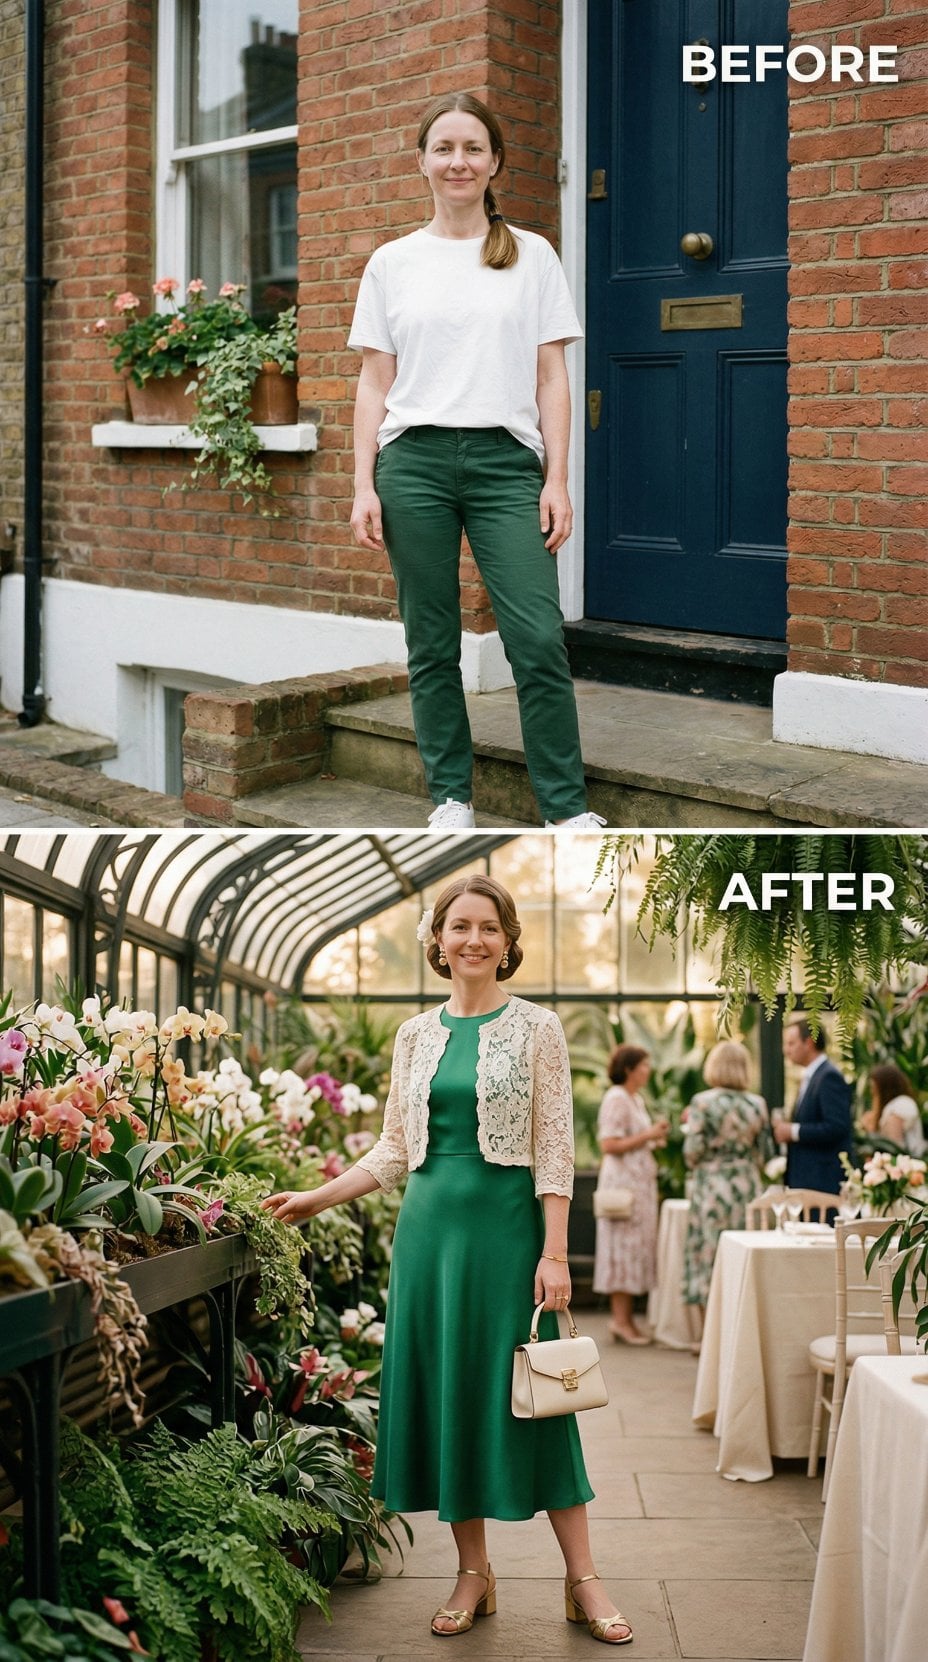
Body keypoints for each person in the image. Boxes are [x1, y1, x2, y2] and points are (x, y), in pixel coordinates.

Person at [262, 875, 633, 1646]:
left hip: (506, 1237)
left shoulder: (539, 1029)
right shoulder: (415, 1036)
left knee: (542, 1402)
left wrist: (555, 1252)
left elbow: (555, 1150)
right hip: (430, 1241)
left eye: (487, 928)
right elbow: (395, 1149)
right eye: (458, 926)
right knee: (457, 1400)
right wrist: (314, 1198)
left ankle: (583, 1577)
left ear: (507, 941)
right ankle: (474, 1572)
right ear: (437, 941)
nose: (473, 940)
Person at [347, 92, 604, 833]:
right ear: (421, 160)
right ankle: (451, 799)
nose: (458, 161)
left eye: (472, 149)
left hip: (504, 466)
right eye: (443, 148)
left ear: (494, 162)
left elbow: (552, 376)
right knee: (431, 642)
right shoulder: (392, 262)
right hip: (414, 464)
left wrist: (556, 478)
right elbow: (374, 382)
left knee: (536, 638)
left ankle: (564, 809)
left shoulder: (531, 254)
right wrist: (363, 483)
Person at [682, 1041, 769, 1313]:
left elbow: (692, 1152)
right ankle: (740, 1326)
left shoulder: (703, 1103)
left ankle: (710, 1336)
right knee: (743, 1255)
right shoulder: (757, 1104)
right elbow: (763, 1155)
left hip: (713, 1186)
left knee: (710, 1254)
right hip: (747, 1186)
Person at [592, 1044, 668, 1345]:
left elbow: (631, 1140)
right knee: (621, 1251)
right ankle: (621, 1321)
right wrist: (648, 1136)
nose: (648, 1071)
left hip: (638, 1185)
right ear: (628, 1069)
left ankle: (627, 1321)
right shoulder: (617, 1098)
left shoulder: (635, 1099)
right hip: (622, 1187)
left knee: (633, 1251)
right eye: (643, 1066)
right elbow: (609, 1144)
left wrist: (650, 1140)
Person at [772, 1017, 853, 1192]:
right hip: (806, 1180)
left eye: (791, 1044)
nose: (786, 1050)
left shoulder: (828, 1077)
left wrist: (792, 1131)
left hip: (822, 1182)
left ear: (808, 1043)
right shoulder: (812, 1076)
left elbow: (837, 1126)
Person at [860, 1062, 926, 1156]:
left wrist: (871, 1133)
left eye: (874, 1089)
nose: (872, 1093)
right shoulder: (897, 1105)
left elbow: (894, 1147)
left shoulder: (900, 1105)